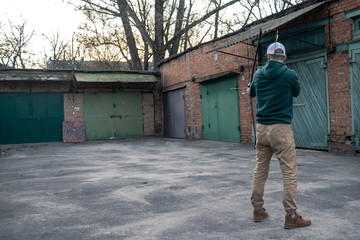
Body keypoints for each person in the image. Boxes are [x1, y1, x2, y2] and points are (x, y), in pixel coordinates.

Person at [248, 42, 311, 229]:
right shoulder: (290, 74)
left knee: (260, 169)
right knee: (289, 172)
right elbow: (297, 92)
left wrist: (253, 86)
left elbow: (251, 92)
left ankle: (258, 210)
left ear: (267, 57)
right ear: (284, 57)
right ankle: (291, 216)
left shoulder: (258, 74)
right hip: (281, 129)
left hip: (261, 129)